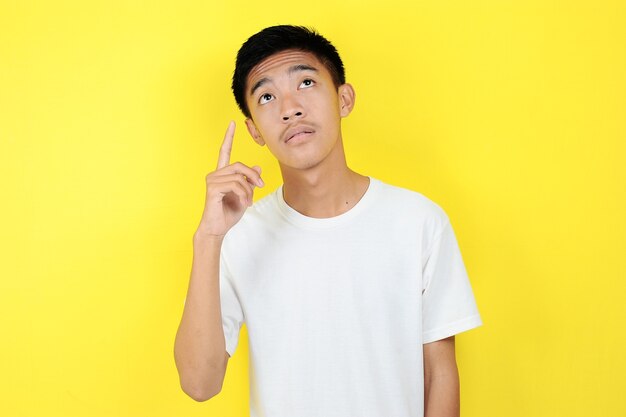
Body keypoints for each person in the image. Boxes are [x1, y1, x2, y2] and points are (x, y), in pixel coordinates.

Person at [174, 25, 482, 417]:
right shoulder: (236, 237)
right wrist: (208, 238)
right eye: (266, 96)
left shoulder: (418, 221)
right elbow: (199, 383)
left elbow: (438, 374)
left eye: (305, 82)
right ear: (254, 130)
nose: (289, 107)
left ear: (344, 98)